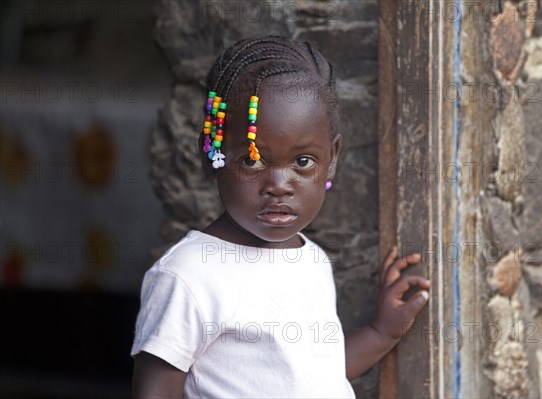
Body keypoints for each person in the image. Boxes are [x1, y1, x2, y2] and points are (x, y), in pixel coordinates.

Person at [131, 36, 431, 398]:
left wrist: (382, 332)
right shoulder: (189, 275)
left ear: (331, 158)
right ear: (213, 154)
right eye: (252, 160)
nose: (278, 185)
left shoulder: (313, 260)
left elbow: (316, 375)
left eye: (302, 162)